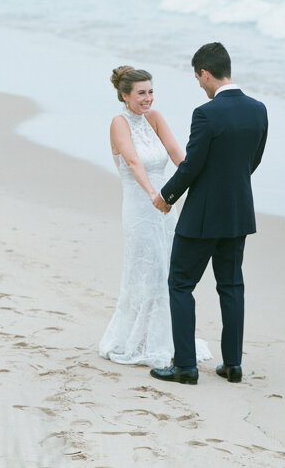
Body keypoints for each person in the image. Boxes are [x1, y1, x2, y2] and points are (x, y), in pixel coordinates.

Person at [150, 43, 268, 385]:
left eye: (197, 77)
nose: (199, 84)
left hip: (202, 215)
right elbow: (253, 161)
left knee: (180, 284)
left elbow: (192, 165)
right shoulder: (258, 109)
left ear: (205, 72)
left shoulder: (206, 113)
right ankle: (233, 365)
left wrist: (167, 195)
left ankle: (185, 366)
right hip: (239, 212)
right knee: (231, 286)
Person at [99, 65, 211, 369]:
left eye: (150, 92)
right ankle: (138, 339)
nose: (148, 99)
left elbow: (178, 155)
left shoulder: (156, 118)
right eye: (141, 93)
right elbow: (134, 163)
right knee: (147, 268)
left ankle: (169, 340)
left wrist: (201, 183)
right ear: (125, 95)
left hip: (166, 207)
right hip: (140, 208)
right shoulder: (118, 123)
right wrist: (153, 195)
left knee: (168, 269)